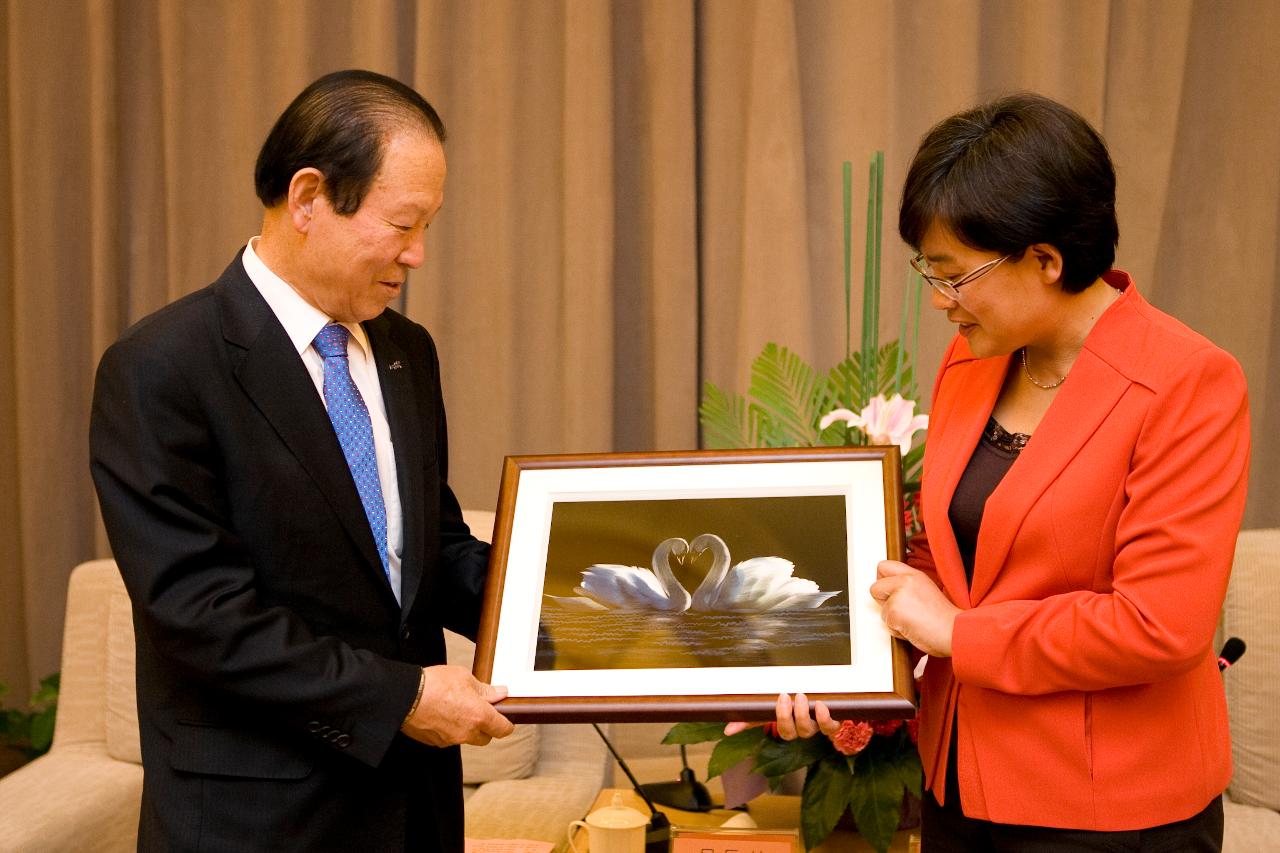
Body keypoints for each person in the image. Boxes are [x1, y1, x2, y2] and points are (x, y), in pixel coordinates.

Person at [766, 93, 1250, 851]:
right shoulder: (973, 360)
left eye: (954, 275)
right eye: (929, 269)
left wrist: (959, 632)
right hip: (960, 784)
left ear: (1047, 259)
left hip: (1111, 812)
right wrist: (840, 656)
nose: (938, 300)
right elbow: (955, 553)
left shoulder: (1188, 383)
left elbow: (1158, 625)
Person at [89, 69, 514, 852]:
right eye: (402, 224)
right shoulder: (161, 368)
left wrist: (582, 610)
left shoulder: (404, 351)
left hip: (414, 809)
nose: (418, 255)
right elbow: (202, 617)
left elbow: (429, 554)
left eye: (430, 226)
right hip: (260, 820)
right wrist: (406, 697)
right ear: (311, 197)